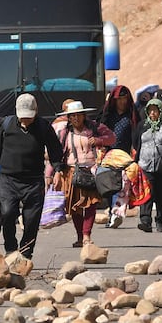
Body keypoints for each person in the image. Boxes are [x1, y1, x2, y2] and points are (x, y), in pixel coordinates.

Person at [0, 93, 64, 259]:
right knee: (7, 213)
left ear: (36, 111)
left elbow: (55, 151)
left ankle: (26, 252)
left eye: (29, 117)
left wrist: (58, 171)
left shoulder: (43, 127)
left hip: (34, 180)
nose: (25, 120)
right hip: (9, 180)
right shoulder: (6, 125)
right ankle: (10, 249)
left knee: (31, 219)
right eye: (23, 117)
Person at [50, 100, 115, 246]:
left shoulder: (95, 128)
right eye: (73, 116)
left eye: (79, 115)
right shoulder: (64, 132)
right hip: (71, 173)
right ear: (68, 117)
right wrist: (52, 174)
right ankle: (80, 237)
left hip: (91, 171)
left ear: (84, 115)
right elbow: (57, 154)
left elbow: (112, 138)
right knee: (75, 208)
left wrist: (98, 140)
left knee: (91, 205)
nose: (76, 118)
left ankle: (87, 236)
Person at [132, 98, 162, 232]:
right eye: (150, 110)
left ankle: (160, 221)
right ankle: (145, 221)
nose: (152, 113)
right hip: (145, 165)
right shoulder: (142, 125)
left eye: (155, 110)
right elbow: (136, 142)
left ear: (160, 111)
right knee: (147, 193)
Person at [99, 85, 138, 228]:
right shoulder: (108, 115)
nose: (122, 102)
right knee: (109, 185)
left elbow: (137, 134)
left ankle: (116, 214)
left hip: (125, 155)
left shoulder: (132, 115)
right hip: (108, 155)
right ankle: (112, 213)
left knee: (122, 185)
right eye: (119, 99)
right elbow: (99, 128)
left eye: (124, 99)